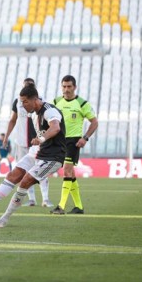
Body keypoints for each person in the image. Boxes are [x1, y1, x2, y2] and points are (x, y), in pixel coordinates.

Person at [0, 84, 65, 228]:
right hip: (37, 152)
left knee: (25, 181)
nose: (22, 106)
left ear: (35, 99)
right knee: (12, 175)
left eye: (25, 102)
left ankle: (4, 218)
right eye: (21, 102)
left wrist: (41, 139)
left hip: (53, 158)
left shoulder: (49, 110)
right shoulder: (33, 113)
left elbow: (55, 127)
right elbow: (33, 127)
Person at [51, 75, 98, 215]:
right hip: (59, 141)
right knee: (69, 172)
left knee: (66, 169)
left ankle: (61, 206)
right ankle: (79, 206)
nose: (66, 89)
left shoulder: (82, 103)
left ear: (75, 87)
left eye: (69, 86)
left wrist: (85, 138)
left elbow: (94, 122)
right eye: (64, 86)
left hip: (73, 141)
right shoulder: (55, 102)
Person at [3, 78, 53, 207]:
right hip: (21, 141)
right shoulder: (17, 102)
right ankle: (31, 200)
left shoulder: (40, 102)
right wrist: (6, 136)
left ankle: (46, 199)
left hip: (37, 141)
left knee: (40, 169)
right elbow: (12, 120)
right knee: (25, 170)